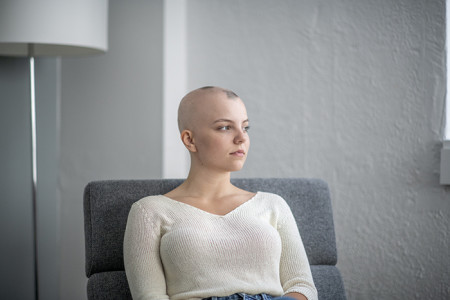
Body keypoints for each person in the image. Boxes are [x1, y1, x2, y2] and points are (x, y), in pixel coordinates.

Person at [123, 86, 318, 300]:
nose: (241, 138)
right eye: (225, 127)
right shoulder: (149, 211)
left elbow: (303, 288)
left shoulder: (273, 204)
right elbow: (150, 297)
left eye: (245, 127)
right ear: (190, 140)